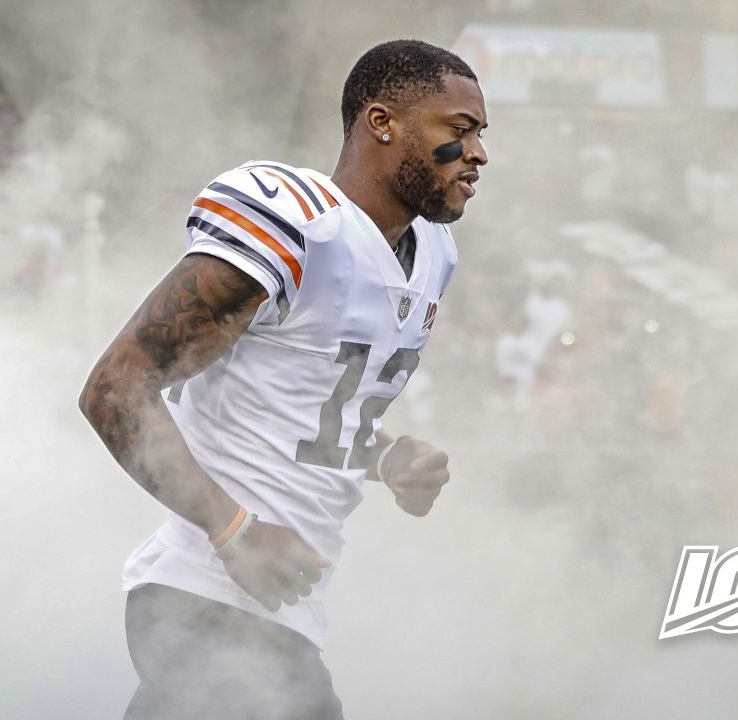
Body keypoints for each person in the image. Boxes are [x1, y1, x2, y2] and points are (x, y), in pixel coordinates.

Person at [79, 38, 488, 719]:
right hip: (204, 597)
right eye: (459, 130)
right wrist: (233, 528)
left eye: (480, 135)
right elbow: (115, 388)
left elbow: (301, 405)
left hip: (276, 613)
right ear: (382, 123)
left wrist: (387, 457)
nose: (477, 155)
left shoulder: (431, 256)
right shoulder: (299, 225)